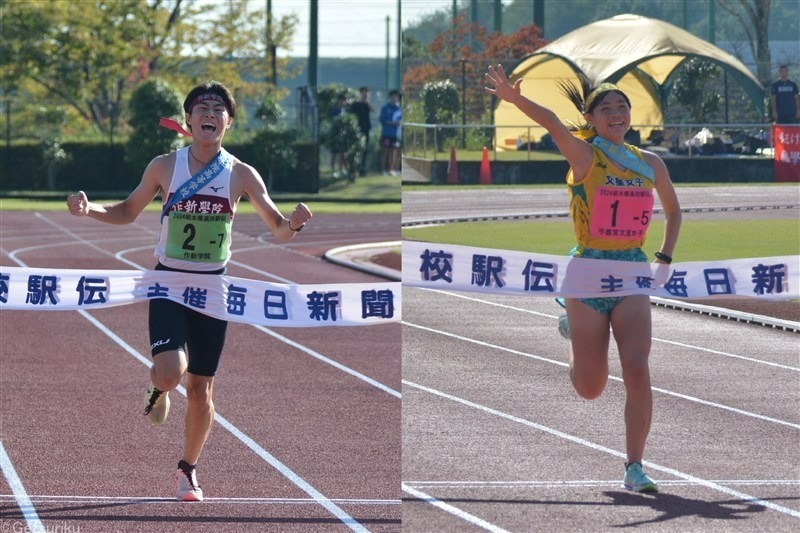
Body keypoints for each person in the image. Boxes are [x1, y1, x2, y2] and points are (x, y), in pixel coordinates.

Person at [66, 81, 312, 501]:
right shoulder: (165, 166)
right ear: (189, 120)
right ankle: (158, 386)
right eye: (202, 107)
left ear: (228, 123)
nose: (210, 113)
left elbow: (278, 229)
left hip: (213, 289)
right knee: (170, 371)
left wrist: (294, 223)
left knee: (201, 390)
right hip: (168, 282)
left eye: (219, 108)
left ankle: (187, 471)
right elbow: (127, 211)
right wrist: (90, 211)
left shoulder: (241, 173)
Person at [485, 65, 681, 493]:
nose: (616, 113)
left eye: (622, 107)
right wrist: (515, 99)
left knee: (637, 367)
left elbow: (675, 210)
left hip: (630, 271)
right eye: (606, 108)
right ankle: (573, 329)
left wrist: (664, 256)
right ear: (591, 119)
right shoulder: (585, 156)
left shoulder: (650, 163)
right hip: (587, 273)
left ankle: (635, 466)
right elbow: (554, 123)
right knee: (591, 388)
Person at [349, 86, 375, 176]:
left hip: (366, 128)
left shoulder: (367, 104)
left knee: (365, 149)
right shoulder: (355, 104)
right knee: (356, 149)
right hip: (357, 129)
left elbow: (373, 110)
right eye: (363, 92)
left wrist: (367, 101)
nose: (365, 94)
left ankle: (362, 168)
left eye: (367, 92)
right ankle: (353, 168)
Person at [379, 90, 402, 176]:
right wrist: (392, 123)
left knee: (393, 152)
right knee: (385, 151)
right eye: (392, 97)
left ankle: (391, 170)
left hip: (395, 135)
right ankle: (382, 170)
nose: (394, 98)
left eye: (396, 97)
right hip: (386, 134)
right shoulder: (385, 108)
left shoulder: (399, 109)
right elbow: (383, 120)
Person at [329, 93, 348, 177]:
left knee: (343, 152)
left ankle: (342, 169)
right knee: (334, 152)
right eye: (340, 100)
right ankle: (333, 170)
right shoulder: (334, 110)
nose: (342, 102)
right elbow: (332, 121)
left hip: (344, 134)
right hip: (335, 133)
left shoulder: (346, 111)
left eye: (343, 100)